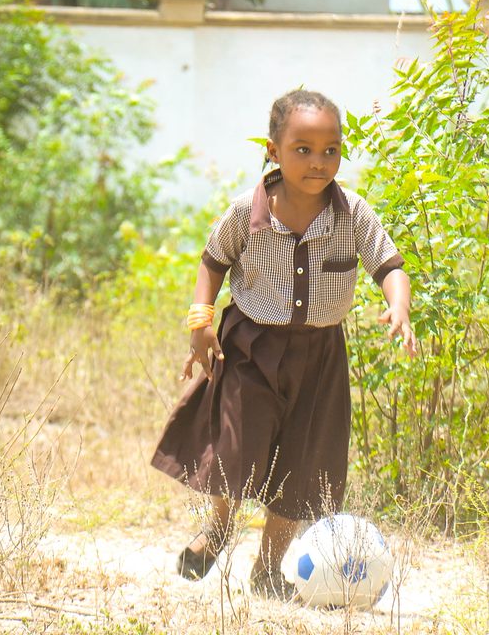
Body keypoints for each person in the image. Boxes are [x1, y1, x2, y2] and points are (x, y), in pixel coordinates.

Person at [150, 89, 416, 600]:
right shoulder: (245, 211)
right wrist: (201, 321)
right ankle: (220, 528)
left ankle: (269, 569)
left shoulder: (353, 214)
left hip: (320, 356)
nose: (319, 162)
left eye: (330, 150)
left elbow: (389, 265)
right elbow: (212, 261)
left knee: (303, 460)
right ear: (273, 151)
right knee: (236, 446)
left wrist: (398, 305)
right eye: (303, 149)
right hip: (250, 348)